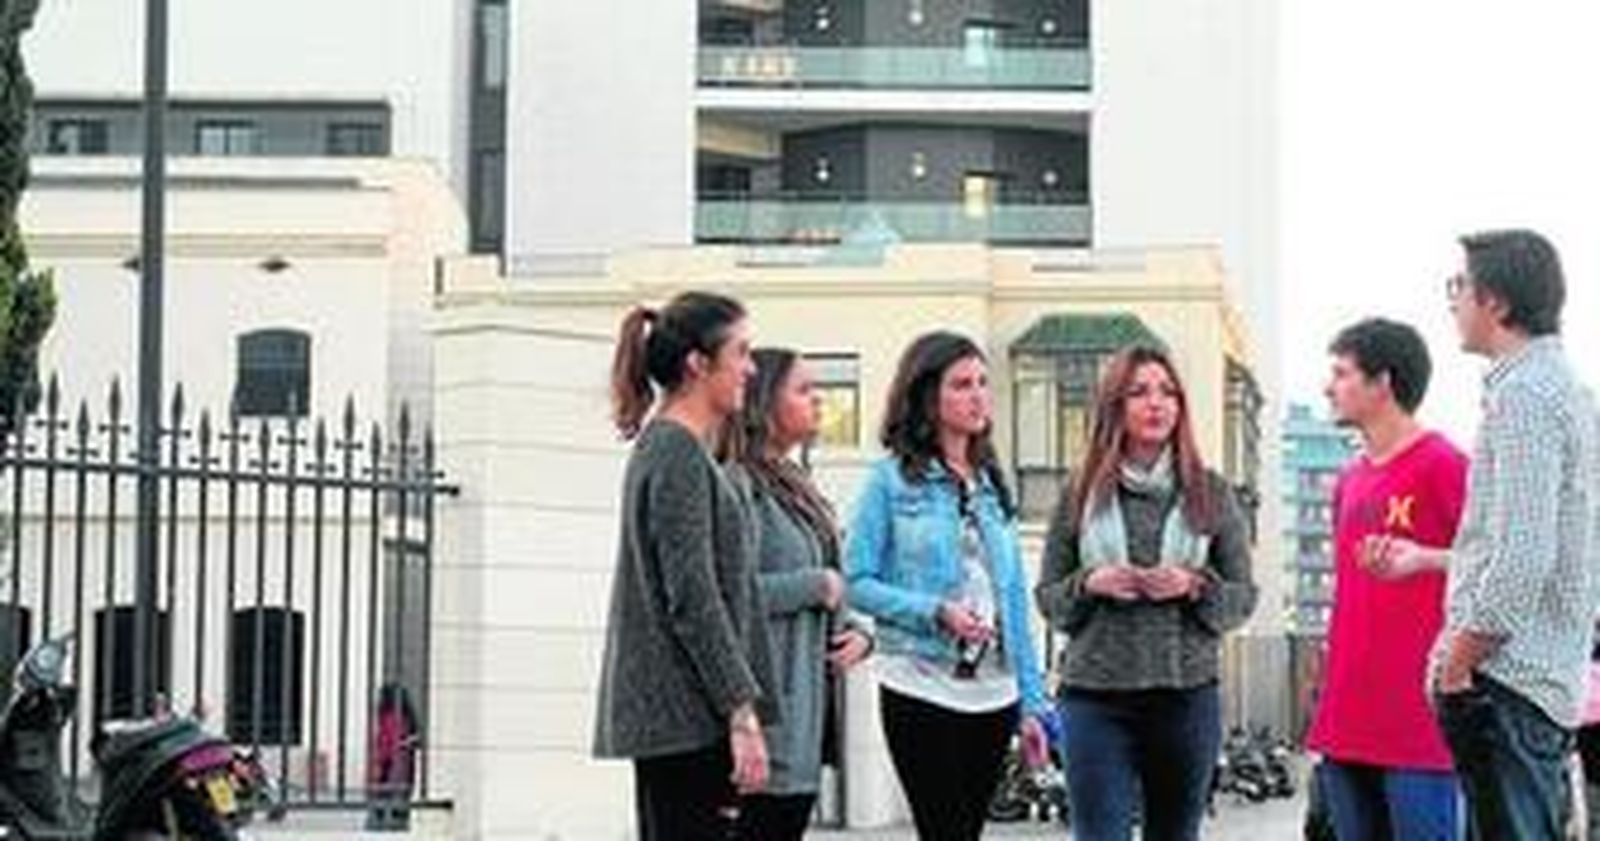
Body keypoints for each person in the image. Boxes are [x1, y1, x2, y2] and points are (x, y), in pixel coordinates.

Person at [1371, 230, 1600, 838]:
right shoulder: (1564, 391)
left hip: (1509, 684)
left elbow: (1522, 555)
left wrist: (1457, 661)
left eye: (1460, 286)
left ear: (1495, 303)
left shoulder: (1526, 396)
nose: (1453, 300)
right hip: (1536, 680)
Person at [1035, 344, 1257, 841]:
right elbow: (1050, 599)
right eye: (1139, 392)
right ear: (1115, 406)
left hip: (1185, 697)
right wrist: (1089, 583)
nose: (1157, 403)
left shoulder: (1211, 493)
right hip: (1094, 699)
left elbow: (1242, 597)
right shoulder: (1080, 492)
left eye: (1168, 392)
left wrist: (1194, 585)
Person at [845, 331, 1050, 840]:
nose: (979, 395)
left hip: (994, 694)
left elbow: (1015, 605)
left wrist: (1032, 706)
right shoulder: (890, 481)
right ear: (926, 395)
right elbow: (856, 582)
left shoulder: (992, 484)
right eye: (962, 384)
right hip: (918, 683)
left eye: (983, 383)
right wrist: (934, 610)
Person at [592, 291, 778, 840]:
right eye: (741, 352)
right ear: (698, 364)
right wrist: (741, 713)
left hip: (681, 719)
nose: (750, 368)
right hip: (684, 721)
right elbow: (693, 598)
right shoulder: (676, 454)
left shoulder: (677, 449)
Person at [1304, 318, 1467, 840]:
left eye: (1343, 373)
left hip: (1419, 722)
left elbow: (1495, 565)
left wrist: (1424, 558)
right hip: (1346, 715)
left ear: (1384, 383)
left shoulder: (1446, 465)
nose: (1330, 387)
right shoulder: (1348, 480)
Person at [722, 348, 874, 840]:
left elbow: (839, 581)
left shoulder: (796, 485)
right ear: (765, 402)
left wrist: (859, 635)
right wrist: (816, 585)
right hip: (763, 723)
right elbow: (724, 594)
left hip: (806, 719)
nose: (820, 400)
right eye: (804, 389)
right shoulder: (737, 483)